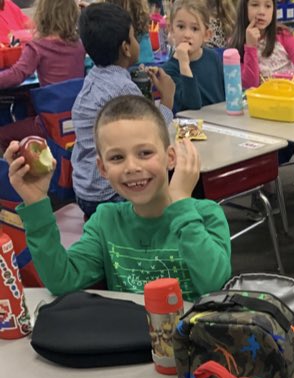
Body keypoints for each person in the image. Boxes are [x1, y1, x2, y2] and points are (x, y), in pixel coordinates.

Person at [6, 93, 231, 301]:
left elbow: (214, 286)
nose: (132, 167)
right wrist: (36, 203)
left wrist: (182, 202)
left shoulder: (207, 214)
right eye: (117, 158)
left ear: (170, 157)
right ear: (102, 169)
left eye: (145, 153)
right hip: (128, 339)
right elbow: (62, 280)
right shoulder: (106, 221)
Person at [71, 3, 175, 219]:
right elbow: (153, 131)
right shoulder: (123, 88)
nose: (138, 42)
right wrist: (167, 100)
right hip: (111, 194)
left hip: (84, 191)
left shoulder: (92, 78)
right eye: (134, 37)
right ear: (126, 48)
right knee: (164, 166)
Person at [0, 0, 84, 89]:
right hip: (79, 99)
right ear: (74, 14)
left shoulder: (37, 47)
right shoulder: (80, 45)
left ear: (41, 15)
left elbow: (17, 75)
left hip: (52, 100)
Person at [231, 0, 294, 90]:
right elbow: (250, 85)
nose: (262, 12)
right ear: (244, 8)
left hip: (289, 95)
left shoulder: (284, 35)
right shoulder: (235, 45)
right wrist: (250, 47)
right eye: (255, 5)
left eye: (268, 6)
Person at [163, 0, 225, 110]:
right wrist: (184, 65)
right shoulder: (169, 70)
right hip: (192, 125)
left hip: (221, 123)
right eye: (181, 27)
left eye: (195, 29)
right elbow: (192, 107)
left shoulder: (213, 58)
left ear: (206, 35)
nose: (187, 35)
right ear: (171, 30)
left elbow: (227, 97)